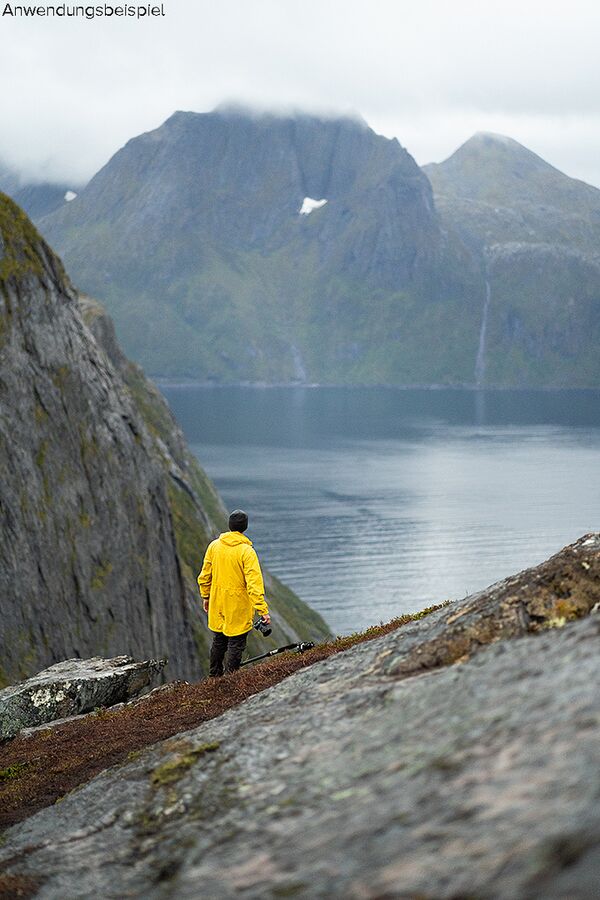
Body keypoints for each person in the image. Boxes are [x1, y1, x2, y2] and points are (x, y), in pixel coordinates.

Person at [198, 509, 271, 676]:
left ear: (229, 525)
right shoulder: (246, 552)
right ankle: (231, 678)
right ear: (245, 527)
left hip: (218, 603)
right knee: (236, 643)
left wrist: (206, 596)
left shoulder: (214, 546)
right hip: (237, 606)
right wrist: (262, 610)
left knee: (219, 641)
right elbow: (254, 584)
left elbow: (204, 576)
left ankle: (214, 676)